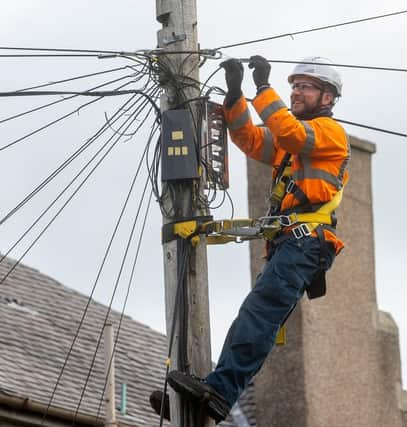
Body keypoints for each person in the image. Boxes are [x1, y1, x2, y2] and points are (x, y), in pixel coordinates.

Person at [151, 55, 350, 423]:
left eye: (305, 86)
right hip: (291, 244)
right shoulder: (291, 142)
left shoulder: (327, 134)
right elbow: (250, 138)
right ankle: (205, 397)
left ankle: (220, 392)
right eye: (294, 85)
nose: (296, 92)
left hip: (305, 243)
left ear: (327, 98)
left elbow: (289, 131)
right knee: (253, 316)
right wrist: (235, 96)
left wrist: (263, 89)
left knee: (258, 316)